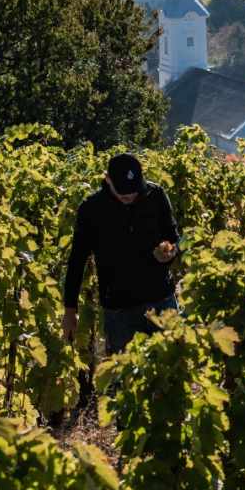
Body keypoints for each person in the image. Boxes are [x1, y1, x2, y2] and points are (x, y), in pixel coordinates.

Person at [62, 153, 182, 356]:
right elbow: (77, 260)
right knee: (124, 378)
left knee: (173, 371)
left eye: (134, 192)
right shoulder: (91, 209)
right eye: (124, 194)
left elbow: (174, 236)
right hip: (120, 308)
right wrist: (70, 310)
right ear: (107, 180)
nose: (130, 198)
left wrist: (171, 250)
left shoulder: (156, 195)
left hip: (162, 299)